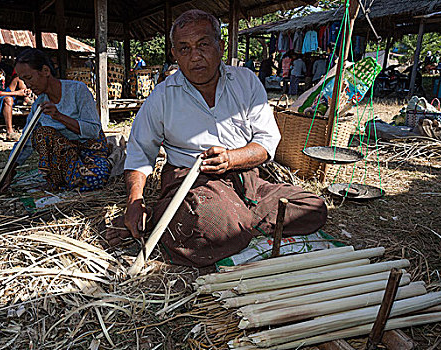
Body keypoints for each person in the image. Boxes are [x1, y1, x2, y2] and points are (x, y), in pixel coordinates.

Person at [106, 10, 327, 267]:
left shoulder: (245, 82)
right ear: (175, 55)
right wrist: (135, 202)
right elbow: (140, 152)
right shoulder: (163, 96)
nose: (195, 56)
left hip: (246, 179)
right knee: (215, 225)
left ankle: (235, 219)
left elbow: (267, 143)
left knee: (313, 207)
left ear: (220, 46)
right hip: (191, 180)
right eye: (184, 49)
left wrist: (231, 159)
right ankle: (210, 218)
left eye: (203, 45)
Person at [2, 48, 111, 193]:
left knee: (96, 178)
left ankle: (65, 181)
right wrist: (9, 170)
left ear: (45, 71)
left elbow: (93, 131)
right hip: (66, 158)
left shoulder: (78, 90)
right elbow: (25, 142)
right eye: (23, 80)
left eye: (29, 78)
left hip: (90, 151)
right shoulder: (38, 106)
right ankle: (60, 179)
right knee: (42, 133)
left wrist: (59, 116)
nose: (27, 86)